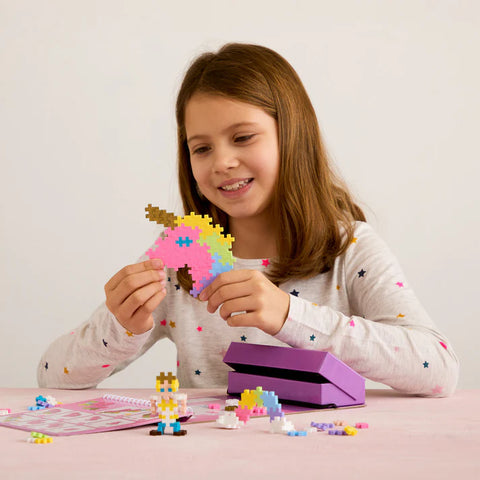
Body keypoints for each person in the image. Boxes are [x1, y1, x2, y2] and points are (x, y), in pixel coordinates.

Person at [38, 43, 459, 396]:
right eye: (201, 148)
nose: (221, 161)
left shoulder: (349, 248)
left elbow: (438, 367)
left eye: (242, 137)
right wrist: (119, 327)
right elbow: (51, 375)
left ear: (292, 136)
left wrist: (288, 314)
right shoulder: (183, 257)